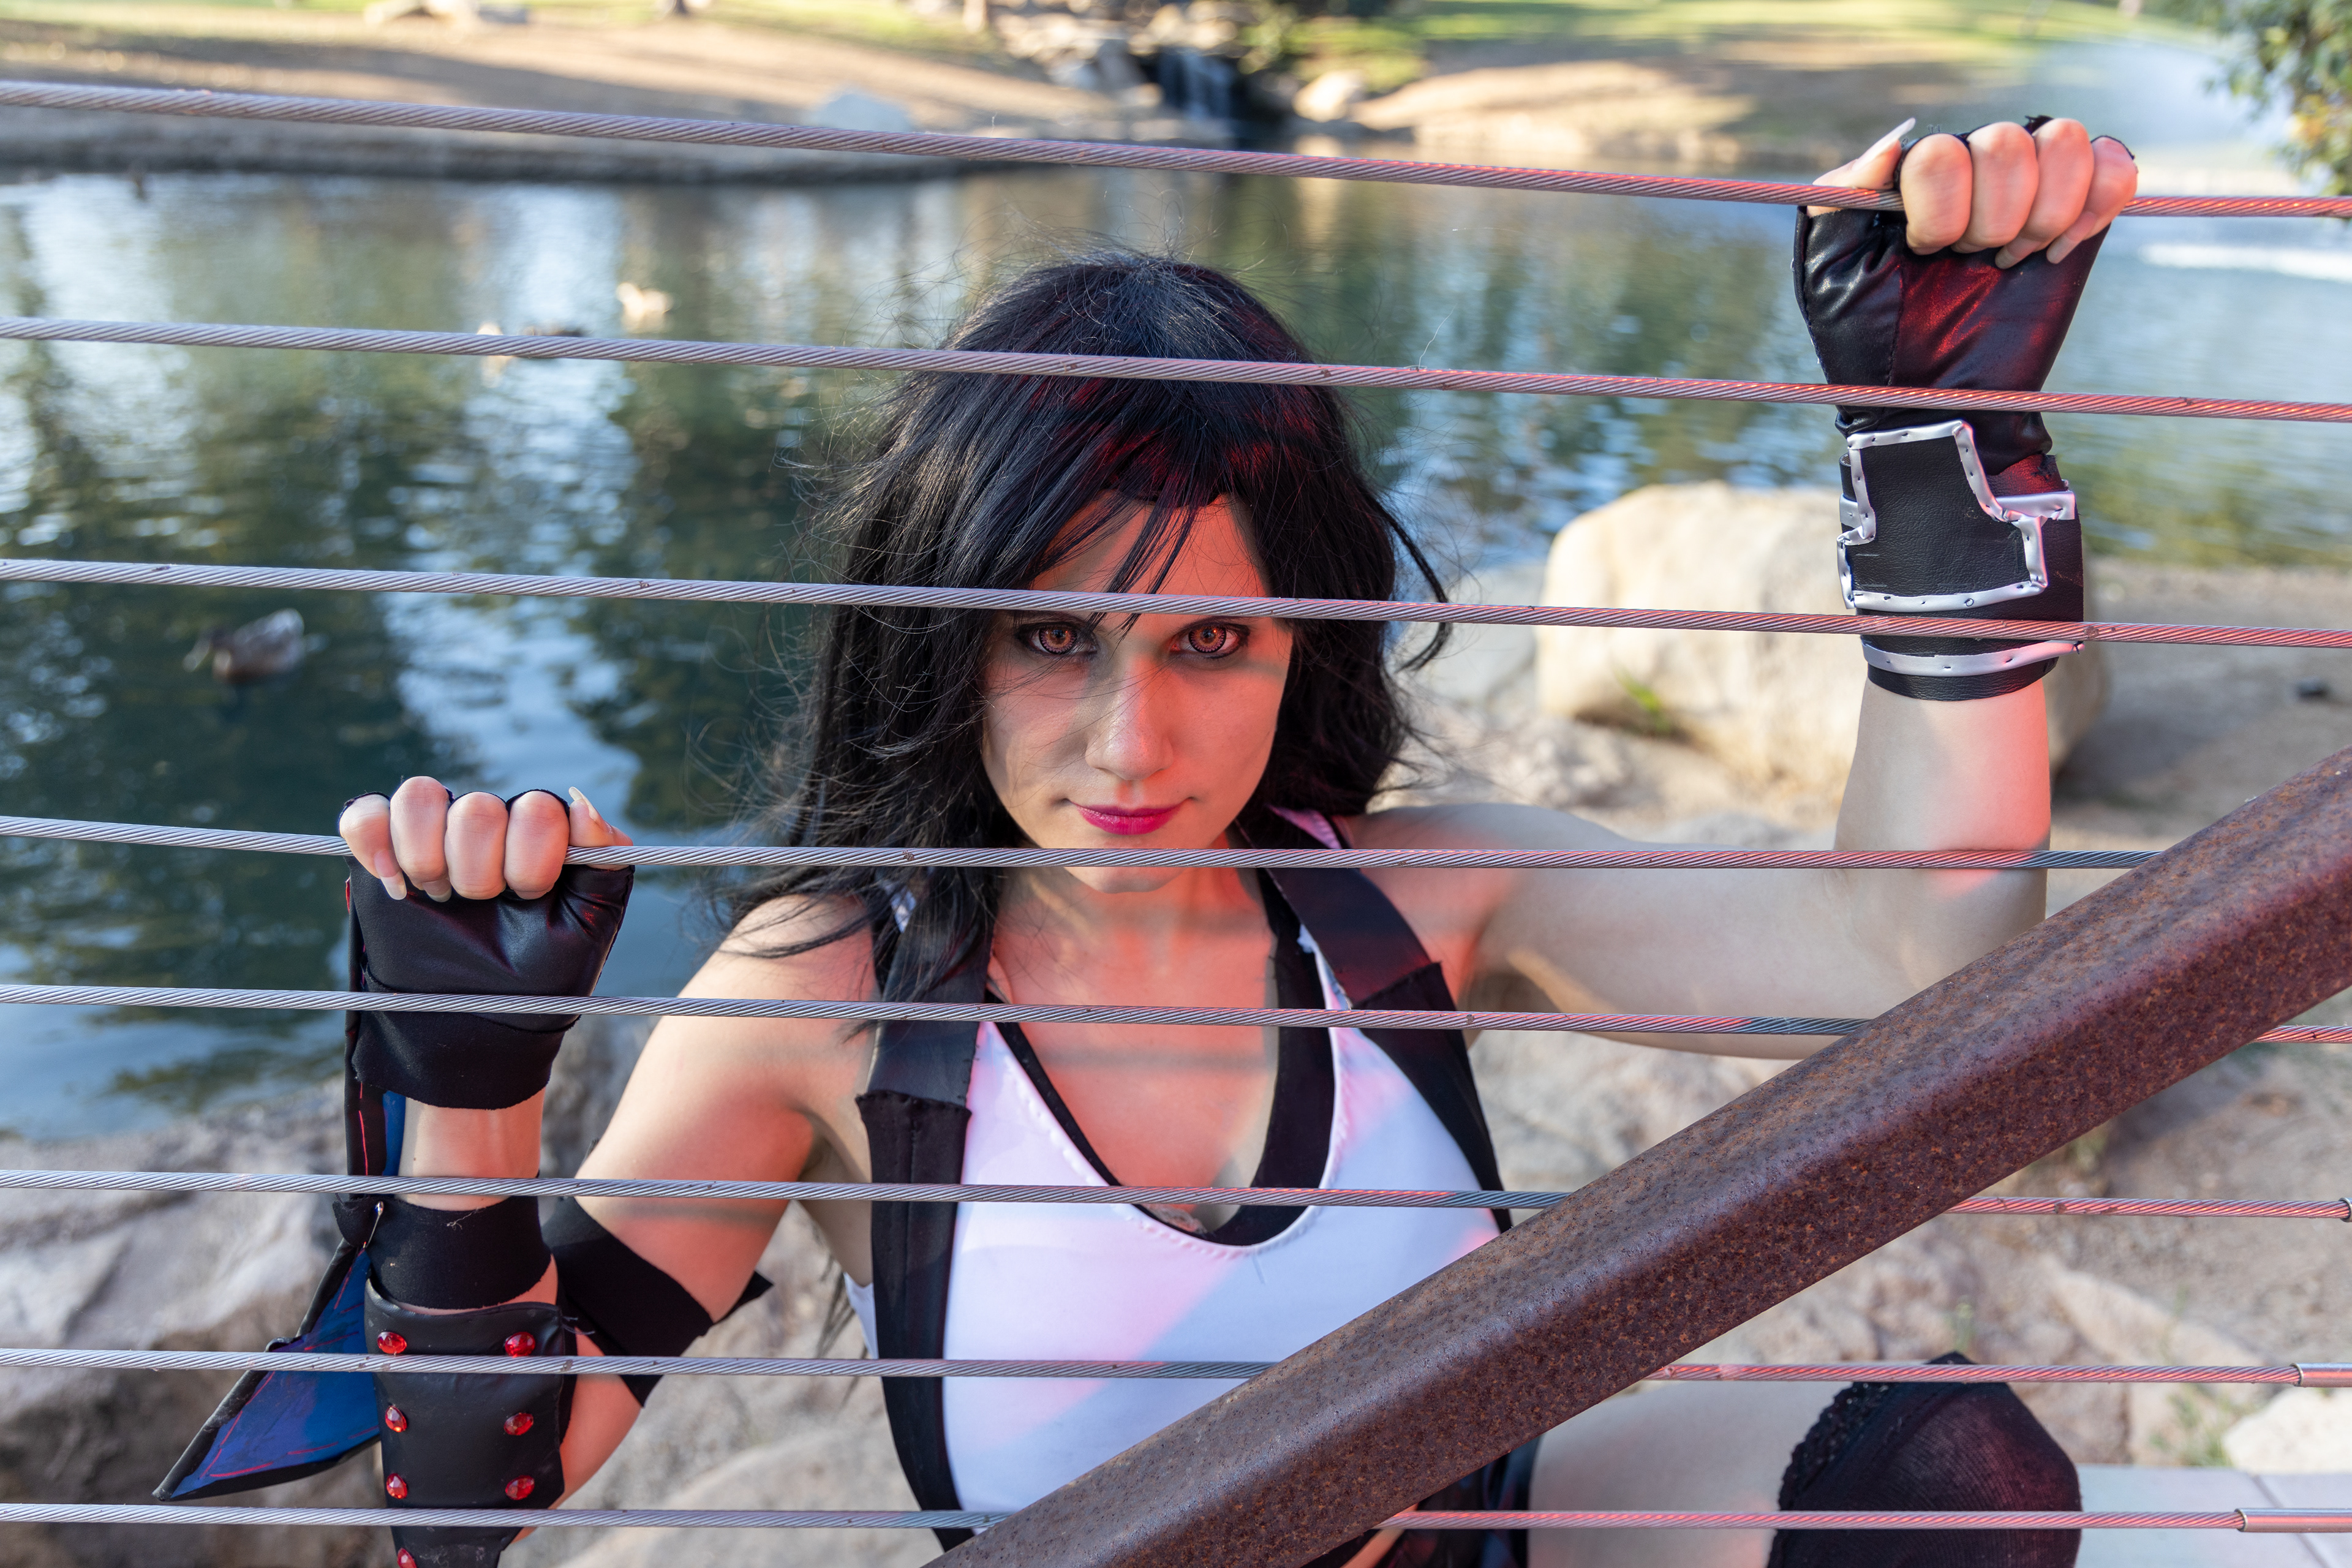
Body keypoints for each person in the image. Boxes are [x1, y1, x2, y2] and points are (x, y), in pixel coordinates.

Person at [265, 115, 2135, 1568]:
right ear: (941, 635)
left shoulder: (1410, 901)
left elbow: (1921, 969)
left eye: (1212, 641)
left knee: (1947, 1480)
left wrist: (1936, 443)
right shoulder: (827, 999)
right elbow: (477, 1493)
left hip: (1481, 1539)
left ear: (1303, 640)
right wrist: (467, 1085)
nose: (1130, 743)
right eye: (1050, 638)